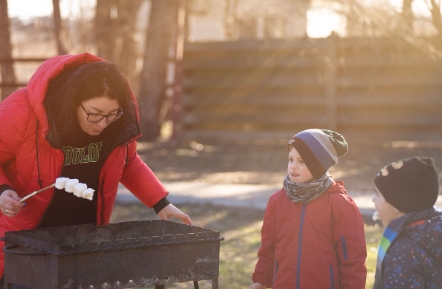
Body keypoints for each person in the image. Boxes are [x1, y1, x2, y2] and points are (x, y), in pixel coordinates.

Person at [0, 53, 192, 282]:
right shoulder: (21, 111)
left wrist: (160, 202)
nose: (102, 124)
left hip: (83, 238)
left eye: (111, 114)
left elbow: (129, 164)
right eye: (94, 114)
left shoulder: (115, 126)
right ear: (73, 101)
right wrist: (2, 191)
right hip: (26, 241)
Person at [250, 129, 367, 289]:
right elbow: (268, 248)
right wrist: (261, 280)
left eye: (302, 161)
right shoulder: (277, 201)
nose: (293, 166)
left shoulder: (340, 204)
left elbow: (353, 259)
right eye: (291, 159)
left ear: (318, 166)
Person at [372, 156, 442, 289]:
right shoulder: (435, 231)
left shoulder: (401, 253)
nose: (373, 200)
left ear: (397, 204)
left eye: (377, 194)